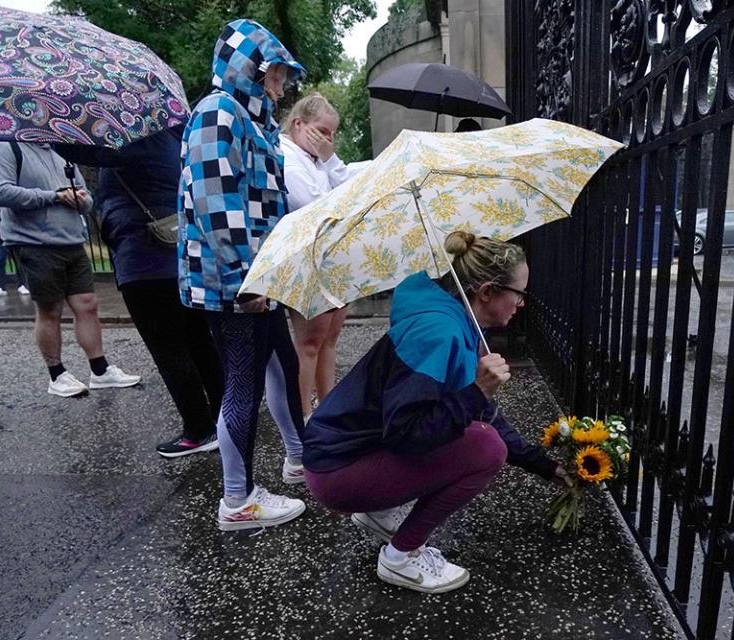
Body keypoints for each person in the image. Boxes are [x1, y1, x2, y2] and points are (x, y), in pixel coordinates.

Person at [301, 231, 567, 593]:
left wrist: (543, 465)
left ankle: (378, 511)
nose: (522, 304)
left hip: (341, 455)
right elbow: (407, 433)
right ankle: (401, 558)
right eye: (519, 294)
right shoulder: (439, 333)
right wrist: (476, 392)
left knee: (479, 434)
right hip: (336, 473)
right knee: (486, 450)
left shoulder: (452, 319)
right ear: (486, 291)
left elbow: (483, 413)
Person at [179, 18, 309, 530]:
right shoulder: (218, 113)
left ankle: (300, 458)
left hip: (256, 276)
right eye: (275, 72)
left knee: (282, 365)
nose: (281, 83)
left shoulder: (250, 120)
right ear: (249, 68)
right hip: (236, 283)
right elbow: (217, 205)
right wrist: (242, 279)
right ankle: (237, 500)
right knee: (243, 384)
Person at [57, 128, 225, 458]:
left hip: (146, 260)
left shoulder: (135, 139)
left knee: (169, 348)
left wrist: (55, 135)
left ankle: (199, 430)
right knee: (198, 341)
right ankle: (225, 419)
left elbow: (90, 153)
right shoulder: (176, 137)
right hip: (179, 256)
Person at [0, 142, 140, 396]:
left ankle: (100, 370)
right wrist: (54, 195)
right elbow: (2, 192)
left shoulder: (61, 151)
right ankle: (57, 375)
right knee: (50, 309)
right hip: (34, 244)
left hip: (72, 240)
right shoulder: (9, 148)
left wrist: (80, 199)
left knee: (87, 304)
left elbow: (85, 197)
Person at [279, 92, 354, 417]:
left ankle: (328, 410)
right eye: (322, 131)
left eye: (332, 133)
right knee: (309, 344)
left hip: (330, 259)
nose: (328, 139)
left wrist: (329, 157)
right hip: (308, 261)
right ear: (299, 124)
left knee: (329, 339)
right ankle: (303, 419)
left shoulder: (316, 159)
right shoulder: (287, 156)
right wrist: (329, 164)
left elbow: (348, 188)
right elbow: (315, 206)